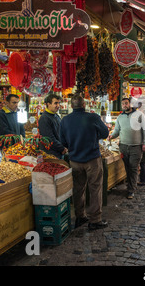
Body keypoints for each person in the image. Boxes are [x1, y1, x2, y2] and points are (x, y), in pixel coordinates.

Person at [60, 94, 109, 230]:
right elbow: (105, 133)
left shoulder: (65, 120)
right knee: (95, 189)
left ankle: (80, 216)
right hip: (92, 159)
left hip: (74, 160)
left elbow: (62, 141)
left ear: (71, 106)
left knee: (78, 189)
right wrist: (94, 134)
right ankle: (95, 219)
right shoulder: (92, 117)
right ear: (84, 105)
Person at [109, 98, 145, 199]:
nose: (124, 105)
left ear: (130, 104)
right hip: (123, 146)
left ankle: (131, 190)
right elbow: (117, 130)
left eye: (126, 103)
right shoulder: (120, 117)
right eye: (123, 104)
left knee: (133, 168)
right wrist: (111, 136)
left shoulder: (139, 115)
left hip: (136, 146)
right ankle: (131, 185)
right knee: (127, 168)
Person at [38, 94, 67, 159]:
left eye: (59, 103)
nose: (58, 106)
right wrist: (62, 148)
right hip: (50, 154)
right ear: (48, 104)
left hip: (58, 152)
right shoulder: (44, 118)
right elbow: (49, 138)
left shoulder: (56, 116)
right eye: (55, 103)